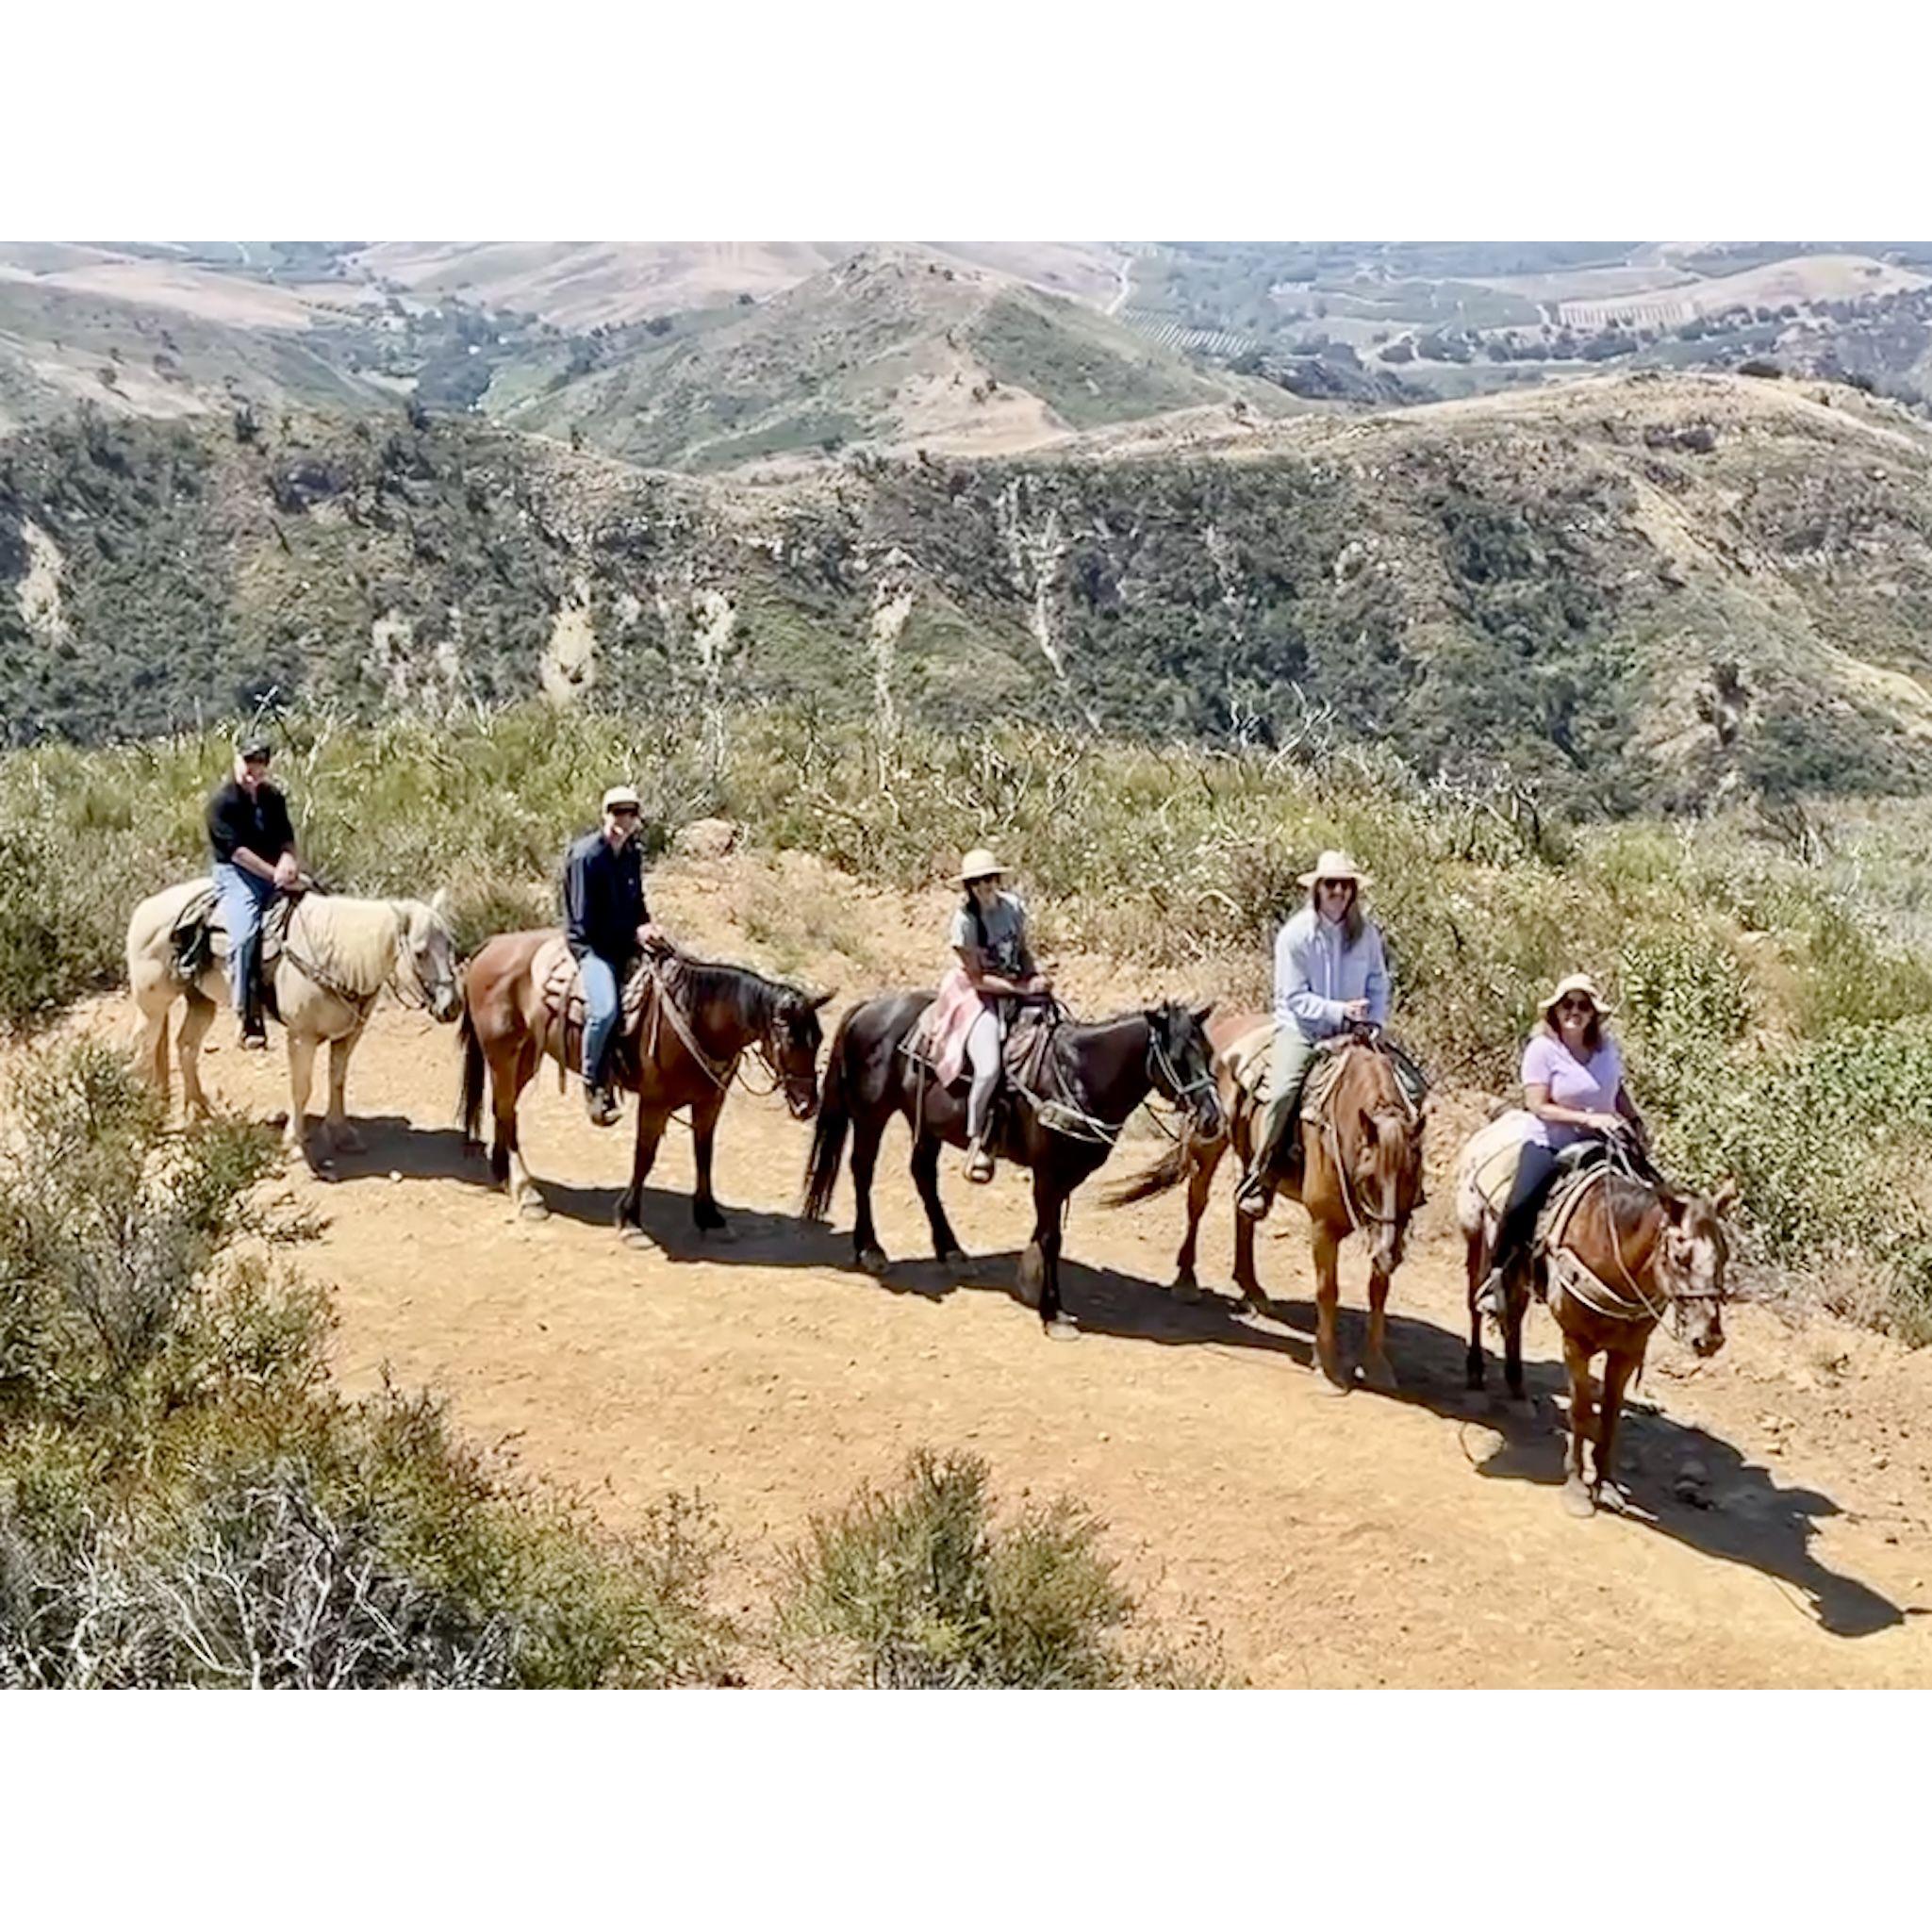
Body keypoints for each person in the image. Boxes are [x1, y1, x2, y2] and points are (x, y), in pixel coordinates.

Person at [1475, 972, 1649, 1317]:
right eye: (1568, 1004)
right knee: (1520, 1204)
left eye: (1583, 1005)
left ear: (1593, 1014)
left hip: (1603, 1144)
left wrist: (1634, 1120)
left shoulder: (1605, 1050)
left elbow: (1616, 1090)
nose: (1575, 1011)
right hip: (1552, 1143)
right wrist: (1589, 1119)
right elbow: (1538, 1105)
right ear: (1555, 1010)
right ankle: (1498, 1278)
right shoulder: (1542, 1050)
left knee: (1652, 1193)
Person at [1235, 850, 1392, 1220]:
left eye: (1345, 885)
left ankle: (1399, 1181)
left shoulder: (1366, 935)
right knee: (1283, 1092)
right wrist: (1339, 1011)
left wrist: (1376, 1022)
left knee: (1407, 1091)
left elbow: (1378, 983)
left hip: (1355, 1032)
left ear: (1354, 891)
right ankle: (1261, 1176)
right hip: (1303, 1030)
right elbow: (1295, 997)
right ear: (1318, 889)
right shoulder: (1295, 936)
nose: (1338, 891)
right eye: (1331, 884)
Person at [563, 784, 671, 1126]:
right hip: (592, 947)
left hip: (626, 942)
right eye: (616, 813)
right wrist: (632, 933)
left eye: (629, 814)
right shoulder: (586, 856)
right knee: (605, 1011)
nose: (622, 821)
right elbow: (583, 920)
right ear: (604, 815)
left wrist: (647, 926)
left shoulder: (631, 854)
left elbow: (636, 903)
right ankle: (594, 1083)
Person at [942, 848, 1050, 1183]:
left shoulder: (1013, 908)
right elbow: (976, 977)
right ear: (970, 887)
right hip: (980, 994)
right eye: (978, 882)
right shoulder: (965, 922)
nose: (985, 887)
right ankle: (978, 1139)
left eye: (990, 879)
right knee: (989, 1068)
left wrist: (1035, 977)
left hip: (1016, 983)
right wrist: (1020, 989)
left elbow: (1022, 950)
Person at [206, 734, 300, 1049]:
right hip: (236, 875)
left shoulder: (273, 797)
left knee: (315, 906)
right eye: (248, 763)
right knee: (246, 934)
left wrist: (289, 861)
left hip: (273, 872)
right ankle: (247, 1016)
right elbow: (237, 853)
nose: (253, 770)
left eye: (259, 764)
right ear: (237, 761)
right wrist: (275, 874)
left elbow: (286, 836)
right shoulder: (222, 803)